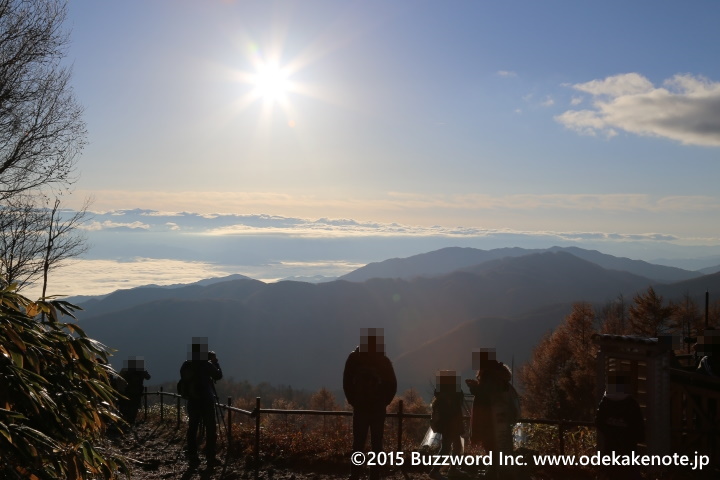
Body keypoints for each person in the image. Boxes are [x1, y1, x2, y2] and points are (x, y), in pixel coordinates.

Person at [343, 328, 397, 480]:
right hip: (378, 409)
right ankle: (374, 476)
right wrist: (383, 402)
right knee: (377, 445)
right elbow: (393, 384)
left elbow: (346, 382)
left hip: (360, 408)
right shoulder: (383, 360)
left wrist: (354, 401)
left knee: (358, 444)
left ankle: (354, 475)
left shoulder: (354, 358)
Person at [465, 348, 517, 480]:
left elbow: (485, 394)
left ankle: (493, 472)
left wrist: (473, 387)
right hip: (500, 415)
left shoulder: (489, 375)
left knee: (490, 443)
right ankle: (500, 470)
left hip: (488, 417)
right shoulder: (499, 374)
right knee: (499, 443)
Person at [180, 337, 223, 466]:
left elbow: (183, 379)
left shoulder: (186, 364)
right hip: (206, 401)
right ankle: (210, 456)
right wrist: (215, 362)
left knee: (192, 427)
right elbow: (218, 376)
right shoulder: (207, 364)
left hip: (193, 400)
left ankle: (193, 455)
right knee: (210, 428)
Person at [595, 370, 645, 480]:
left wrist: (611, 431)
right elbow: (639, 431)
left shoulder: (605, 403)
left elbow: (599, 422)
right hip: (628, 451)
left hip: (610, 450)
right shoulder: (631, 404)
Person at [429, 370, 466, 479]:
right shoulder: (451, 396)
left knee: (454, 446)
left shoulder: (442, 397)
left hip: (449, 425)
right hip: (451, 425)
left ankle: (451, 469)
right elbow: (458, 403)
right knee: (447, 447)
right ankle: (436, 471)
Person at [118, 356, 151, 425]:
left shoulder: (126, 370)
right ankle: (131, 421)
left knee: (126, 406)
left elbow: (119, 379)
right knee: (134, 406)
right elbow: (148, 377)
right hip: (137, 392)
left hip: (127, 391)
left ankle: (124, 420)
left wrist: (120, 389)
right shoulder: (141, 370)